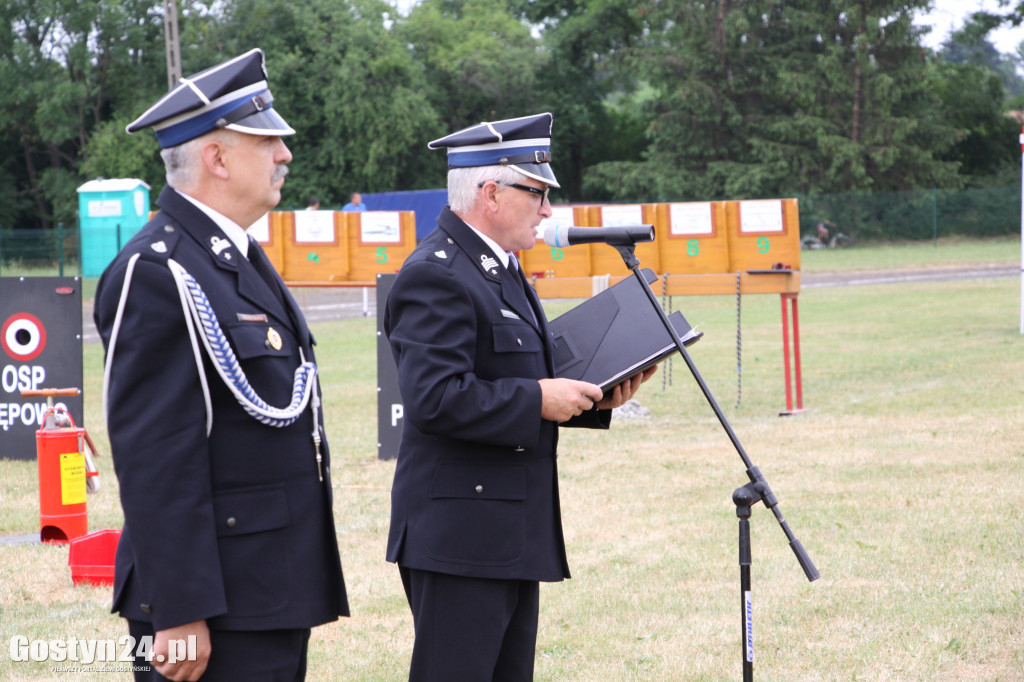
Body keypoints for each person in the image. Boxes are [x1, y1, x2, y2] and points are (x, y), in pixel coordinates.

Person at [94, 48, 348, 682]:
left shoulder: (232, 257)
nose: (285, 155)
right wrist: (179, 609)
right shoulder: (158, 270)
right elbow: (156, 455)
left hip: (266, 582)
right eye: (268, 141)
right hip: (213, 600)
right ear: (216, 157)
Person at [383, 112, 655, 682]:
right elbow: (435, 399)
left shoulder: (500, 270)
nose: (548, 210)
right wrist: (537, 399)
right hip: (459, 537)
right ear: (491, 193)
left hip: (505, 528)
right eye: (537, 193)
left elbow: (522, 373)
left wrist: (594, 396)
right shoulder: (437, 274)